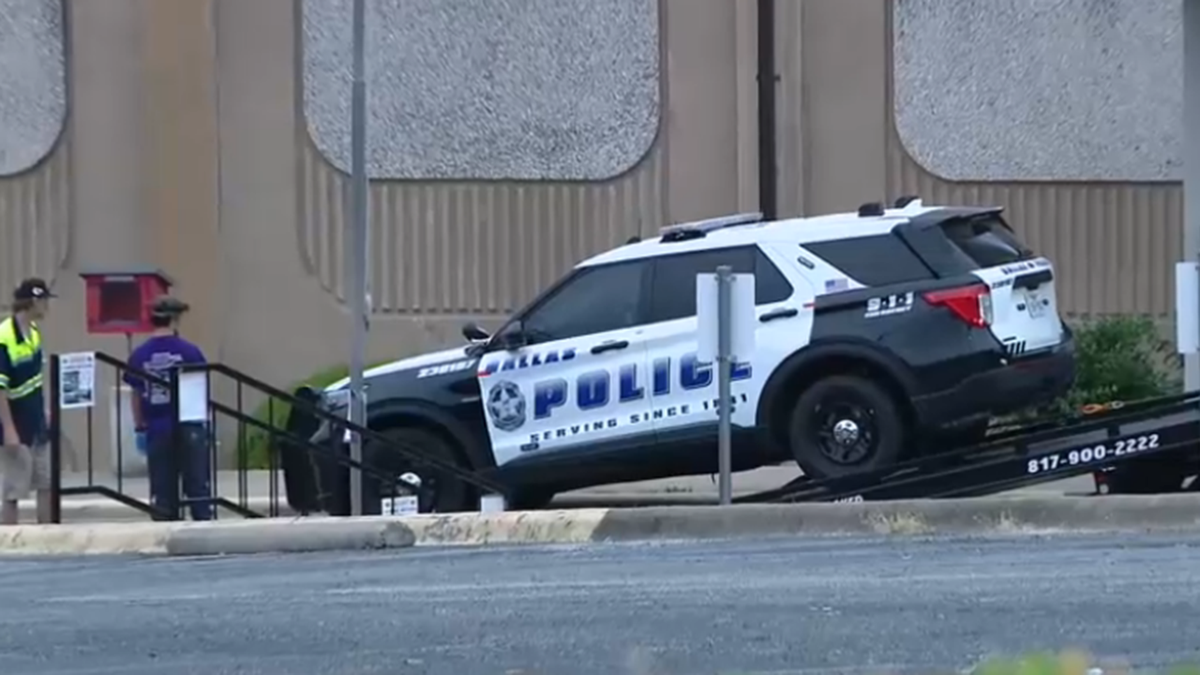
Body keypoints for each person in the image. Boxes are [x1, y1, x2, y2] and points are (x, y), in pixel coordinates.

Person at [124, 296, 213, 521]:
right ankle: (203, 533)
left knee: (163, 490)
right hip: (189, 424)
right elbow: (200, 388)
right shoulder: (189, 352)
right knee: (197, 487)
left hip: (157, 427)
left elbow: (136, 394)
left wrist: (139, 425)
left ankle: (166, 530)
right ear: (174, 320)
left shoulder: (139, 355)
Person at [0, 278, 56, 525]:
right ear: (34, 301)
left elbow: (36, 378)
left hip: (35, 420)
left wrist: (44, 410)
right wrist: (9, 430)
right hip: (15, 421)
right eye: (44, 301)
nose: (46, 307)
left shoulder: (33, 333)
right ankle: (8, 540)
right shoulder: (4, 337)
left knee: (44, 481)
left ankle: (47, 535)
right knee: (14, 487)